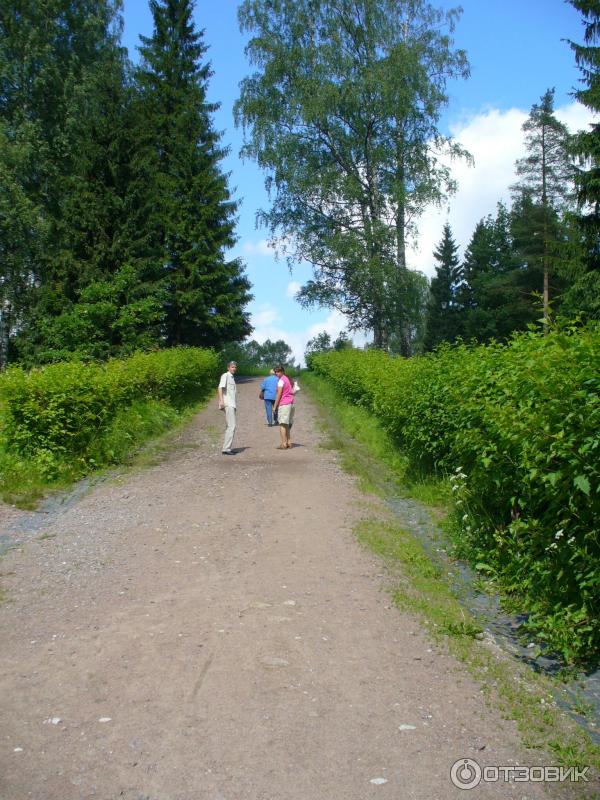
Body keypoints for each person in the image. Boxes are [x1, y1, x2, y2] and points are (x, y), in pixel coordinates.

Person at [272, 365, 295, 449]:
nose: (277, 373)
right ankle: (289, 442)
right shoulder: (287, 379)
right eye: (276, 372)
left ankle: (283, 444)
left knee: (282, 424)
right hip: (291, 403)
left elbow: (279, 394)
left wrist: (275, 406)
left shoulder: (281, 381)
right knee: (287, 425)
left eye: (278, 371)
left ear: (282, 371)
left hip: (284, 404)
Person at [218, 361, 237, 455]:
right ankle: (226, 448)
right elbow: (220, 387)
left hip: (232, 404)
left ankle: (226, 447)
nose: (234, 368)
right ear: (228, 367)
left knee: (229, 426)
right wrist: (221, 401)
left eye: (235, 367)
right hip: (228, 404)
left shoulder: (232, 378)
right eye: (232, 367)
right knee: (232, 426)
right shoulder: (225, 375)